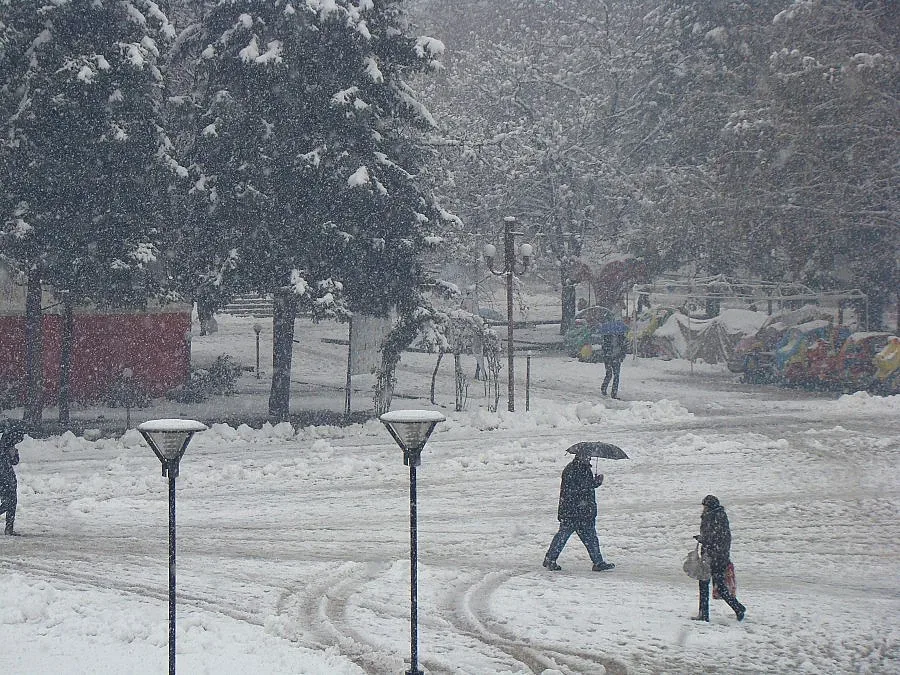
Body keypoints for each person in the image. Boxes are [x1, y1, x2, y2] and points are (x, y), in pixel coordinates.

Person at [543, 449, 615, 572]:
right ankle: (597, 562)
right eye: (588, 456)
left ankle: (550, 559)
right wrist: (595, 483)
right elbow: (580, 489)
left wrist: (593, 483)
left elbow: (579, 488)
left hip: (573, 510)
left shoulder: (576, 468)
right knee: (587, 537)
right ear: (581, 456)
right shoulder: (577, 470)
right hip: (578, 511)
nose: (590, 458)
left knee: (567, 535)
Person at [693, 495, 745, 621]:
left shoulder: (712, 517)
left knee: (704, 584)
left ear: (709, 506)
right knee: (721, 587)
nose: (703, 508)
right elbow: (721, 537)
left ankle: (703, 614)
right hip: (720, 557)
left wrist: (702, 539)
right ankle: (737, 607)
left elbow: (712, 537)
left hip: (711, 557)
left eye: (704, 506)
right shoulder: (720, 516)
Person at [0, 422, 24, 536]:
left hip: (9, 479)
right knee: (8, 503)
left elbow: (15, 462)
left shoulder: (9, 447)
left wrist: (14, 454)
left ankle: (9, 528)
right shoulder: (3, 447)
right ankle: (9, 528)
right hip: (4, 480)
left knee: (12, 503)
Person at [600, 331, 627, 399]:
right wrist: (607, 354)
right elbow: (604, 347)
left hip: (617, 358)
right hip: (608, 358)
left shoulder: (622, 337)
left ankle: (614, 393)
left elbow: (624, 347)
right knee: (609, 374)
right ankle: (604, 387)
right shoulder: (607, 337)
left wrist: (622, 356)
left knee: (616, 376)